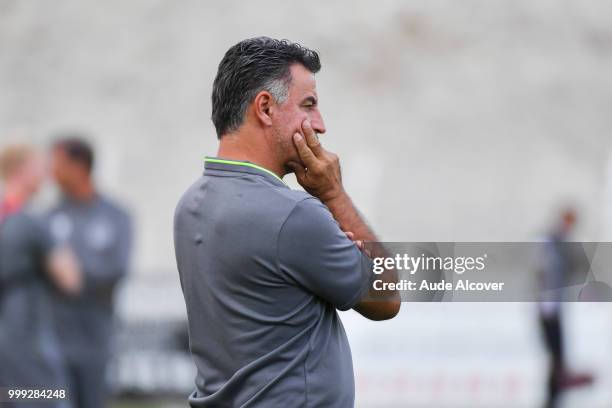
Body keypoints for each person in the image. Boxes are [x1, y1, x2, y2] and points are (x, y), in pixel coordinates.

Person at [174, 37, 400, 407]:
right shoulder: (293, 214)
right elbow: (386, 297)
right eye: (308, 105)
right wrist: (333, 195)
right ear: (265, 108)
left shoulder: (190, 204)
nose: (320, 125)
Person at [47, 137, 132, 408]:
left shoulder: (116, 216)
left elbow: (115, 270)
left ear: (79, 166)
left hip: (96, 342)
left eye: (58, 164)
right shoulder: (48, 217)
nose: (52, 172)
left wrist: (70, 273)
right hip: (53, 344)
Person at [0, 143, 81, 408]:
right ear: (21, 170)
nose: (46, 175)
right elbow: (71, 280)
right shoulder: (34, 222)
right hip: (29, 346)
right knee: (52, 400)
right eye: (39, 167)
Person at [538, 208, 593, 408]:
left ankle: (553, 401)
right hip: (548, 310)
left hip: (553, 309)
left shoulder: (561, 244)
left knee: (558, 361)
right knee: (556, 361)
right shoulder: (549, 242)